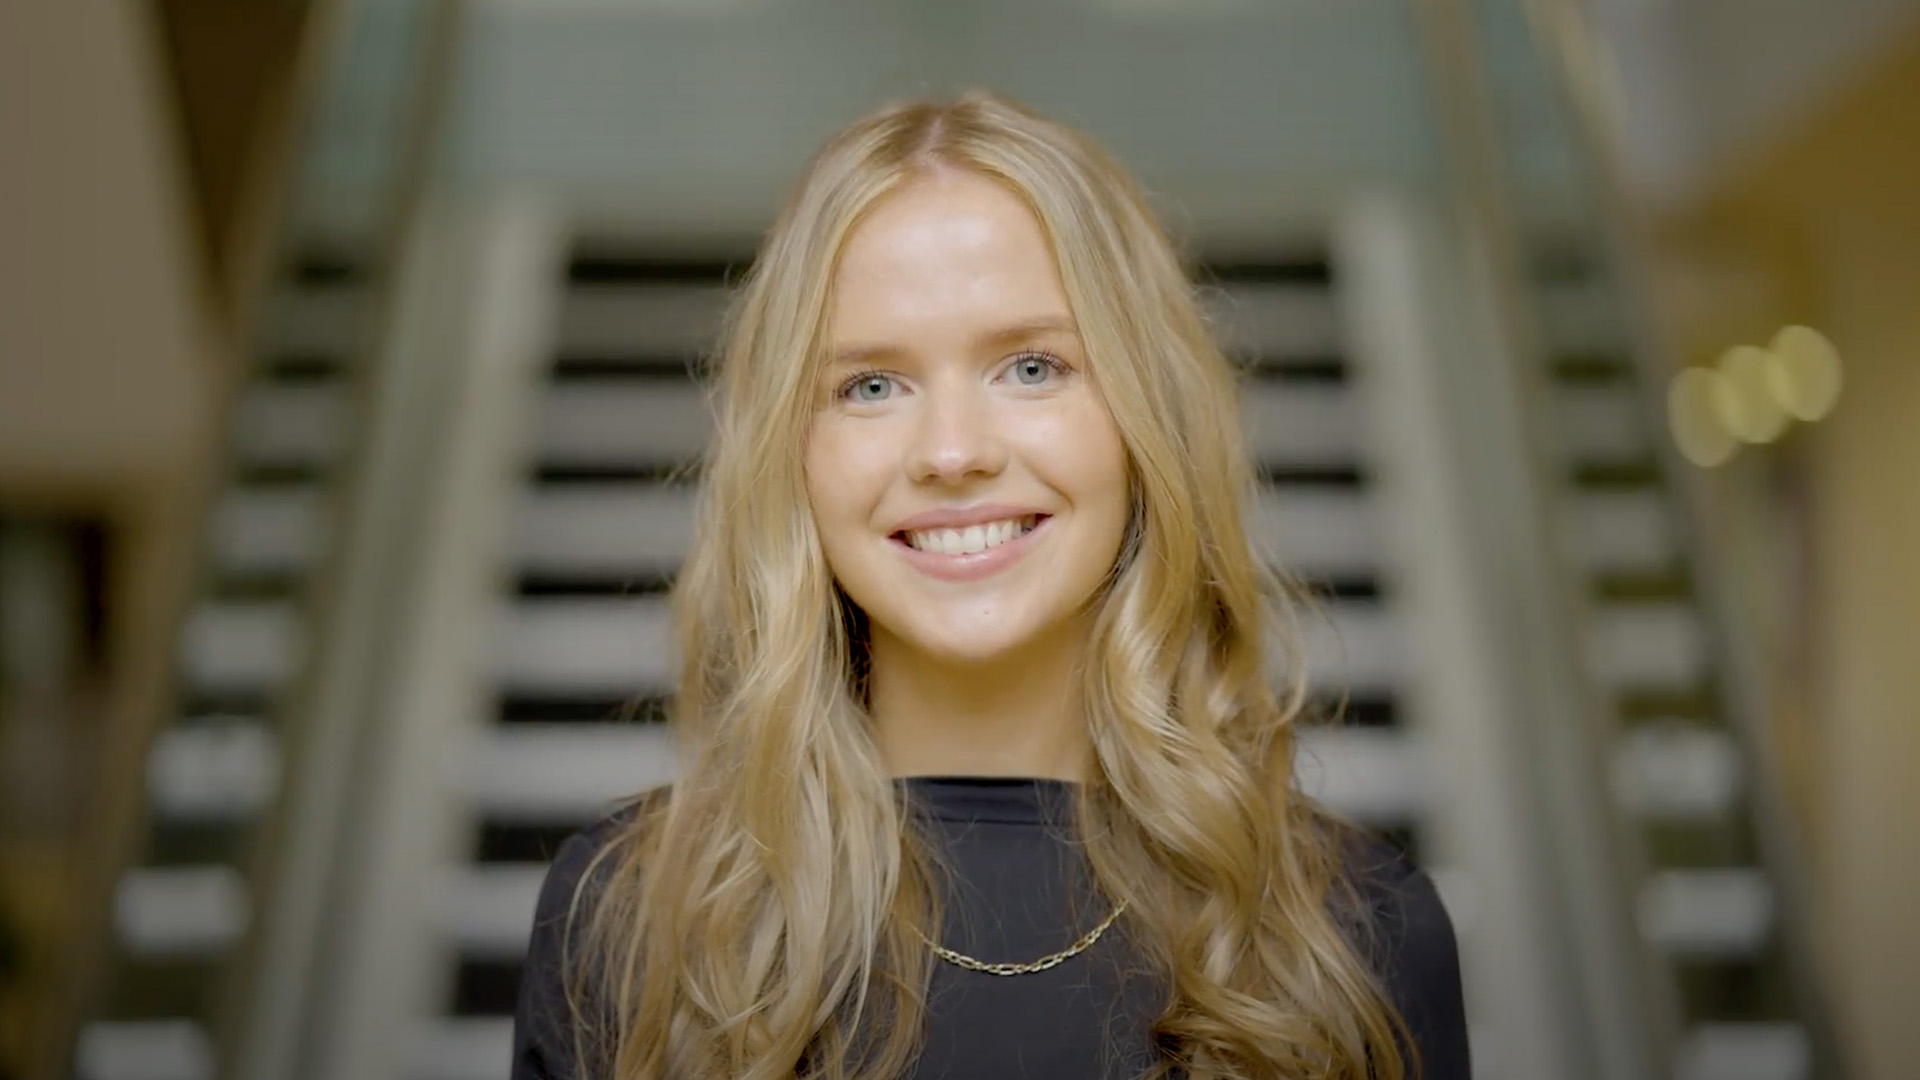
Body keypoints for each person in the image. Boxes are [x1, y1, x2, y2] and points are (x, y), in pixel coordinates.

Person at [511, 91, 1469, 1080]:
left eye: (1031, 366)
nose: (953, 452)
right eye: (869, 386)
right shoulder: (624, 922)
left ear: (1145, 421)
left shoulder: (1358, 933)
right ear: (790, 454)